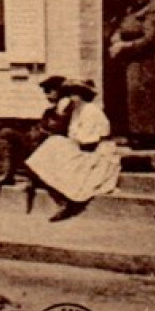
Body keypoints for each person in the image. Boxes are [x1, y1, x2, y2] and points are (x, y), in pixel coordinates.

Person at [26, 77, 120, 222]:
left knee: (62, 152)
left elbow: (89, 140)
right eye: (70, 94)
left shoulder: (91, 110)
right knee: (53, 143)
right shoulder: (76, 111)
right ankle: (53, 188)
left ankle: (67, 201)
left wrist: (71, 144)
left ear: (84, 95)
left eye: (76, 94)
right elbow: (72, 134)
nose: (72, 97)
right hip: (83, 146)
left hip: (97, 151)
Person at [0, 75, 72, 208]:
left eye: (49, 90)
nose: (46, 94)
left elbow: (63, 132)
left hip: (55, 150)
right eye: (45, 91)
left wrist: (43, 132)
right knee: (6, 133)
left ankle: (35, 179)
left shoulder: (69, 111)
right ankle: (7, 174)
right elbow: (40, 128)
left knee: (38, 142)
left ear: (61, 91)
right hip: (38, 146)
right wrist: (34, 133)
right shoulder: (49, 112)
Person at [107, 0, 155, 146]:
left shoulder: (152, 10)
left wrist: (124, 46)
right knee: (131, 97)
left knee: (142, 96)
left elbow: (150, 39)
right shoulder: (131, 10)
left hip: (145, 61)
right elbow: (122, 28)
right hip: (130, 62)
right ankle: (133, 133)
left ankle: (145, 136)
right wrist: (116, 37)